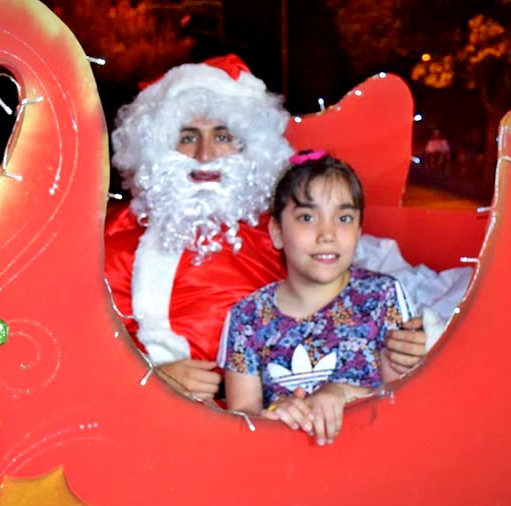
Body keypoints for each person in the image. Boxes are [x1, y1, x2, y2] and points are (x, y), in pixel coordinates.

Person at [104, 55, 430, 401]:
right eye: (187, 137)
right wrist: (146, 376)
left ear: (249, 147)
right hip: (154, 428)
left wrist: (418, 335)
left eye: (222, 136)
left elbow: (385, 277)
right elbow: (72, 349)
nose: (204, 155)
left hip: (286, 419)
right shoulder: (117, 245)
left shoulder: (288, 228)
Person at [220, 151, 402, 444]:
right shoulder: (247, 317)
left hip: (371, 464)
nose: (327, 234)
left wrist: (340, 394)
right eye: (307, 217)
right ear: (277, 232)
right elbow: (242, 417)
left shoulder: (382, 297)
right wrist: (274, 415)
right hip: (284, 473)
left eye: (343, 218)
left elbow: (405, 400)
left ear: (358, 230)